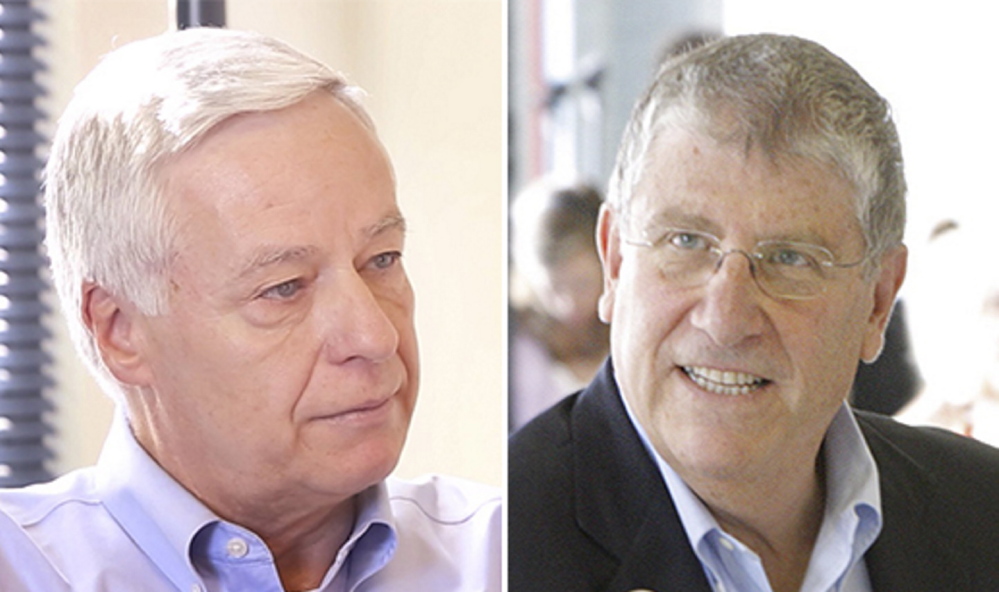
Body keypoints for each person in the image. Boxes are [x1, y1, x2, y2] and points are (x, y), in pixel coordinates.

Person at [0, 28, 500, 591]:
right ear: (120, 330)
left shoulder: (503, 553)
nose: (375, 335)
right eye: (285, 287)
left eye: (381, 259)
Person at [509, 33, 999, 592]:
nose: (725, 318)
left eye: (791, 258)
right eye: (686, 242)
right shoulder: (503, 547)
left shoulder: (983, 513)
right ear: (616, 262)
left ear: (878, 301)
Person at [509, 179, 609, 431]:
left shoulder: (628, 327)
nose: (568, 305)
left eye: (582, 284)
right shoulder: (515, 341)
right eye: (553, 288)